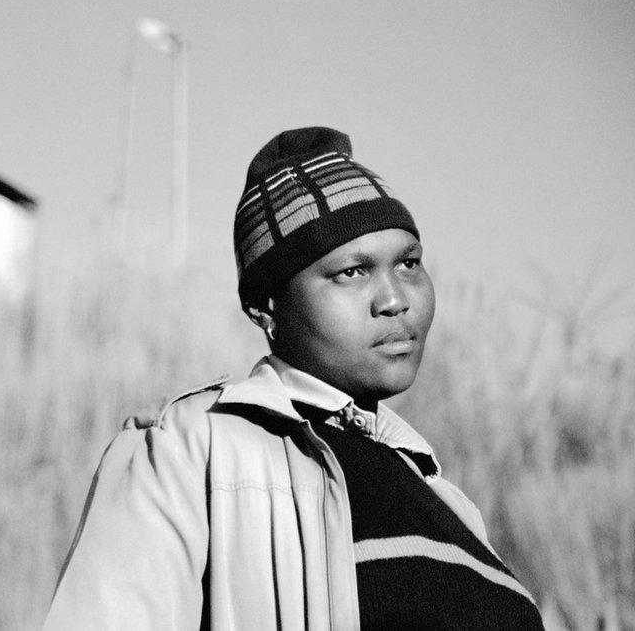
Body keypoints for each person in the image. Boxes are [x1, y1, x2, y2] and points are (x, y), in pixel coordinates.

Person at [43, 127, 543, 629]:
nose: (395, 299)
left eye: (409, 263)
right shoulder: (195, 449)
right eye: (352, 272)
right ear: (267, 308)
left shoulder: (450, 502)